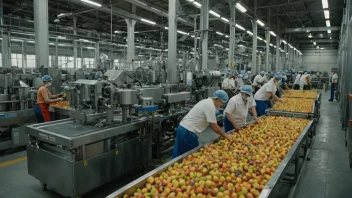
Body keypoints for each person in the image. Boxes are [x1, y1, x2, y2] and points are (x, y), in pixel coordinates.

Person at [172, 90, 232, 158]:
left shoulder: (206, 101)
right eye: (222, 103)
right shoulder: (210, 106)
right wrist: (225, 136)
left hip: (183, 128)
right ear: (217, 99)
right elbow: (214, 126)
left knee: (178, 154)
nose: (221, 105)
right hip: (188, 132)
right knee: (193, 156)